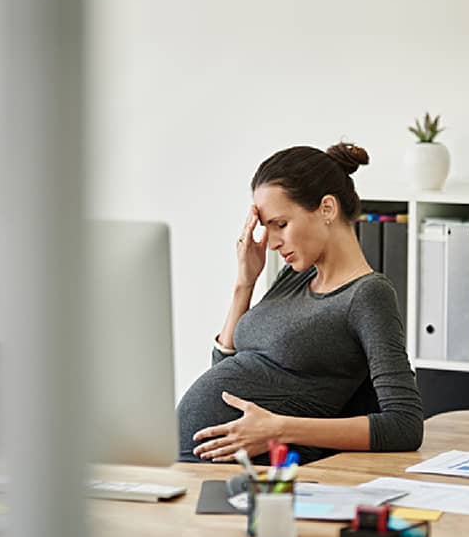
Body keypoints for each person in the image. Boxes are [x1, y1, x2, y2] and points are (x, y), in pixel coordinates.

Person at [177, 142, 423, 465]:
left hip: (259, 480)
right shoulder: (294, 277)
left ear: (327, 209)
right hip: (195, 468)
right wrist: (244, 283)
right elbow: (223, 375)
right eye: (268, 228)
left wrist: (279, 429)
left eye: (281, 224)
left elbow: (405, 424)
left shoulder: (367, 295)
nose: (274, 242)